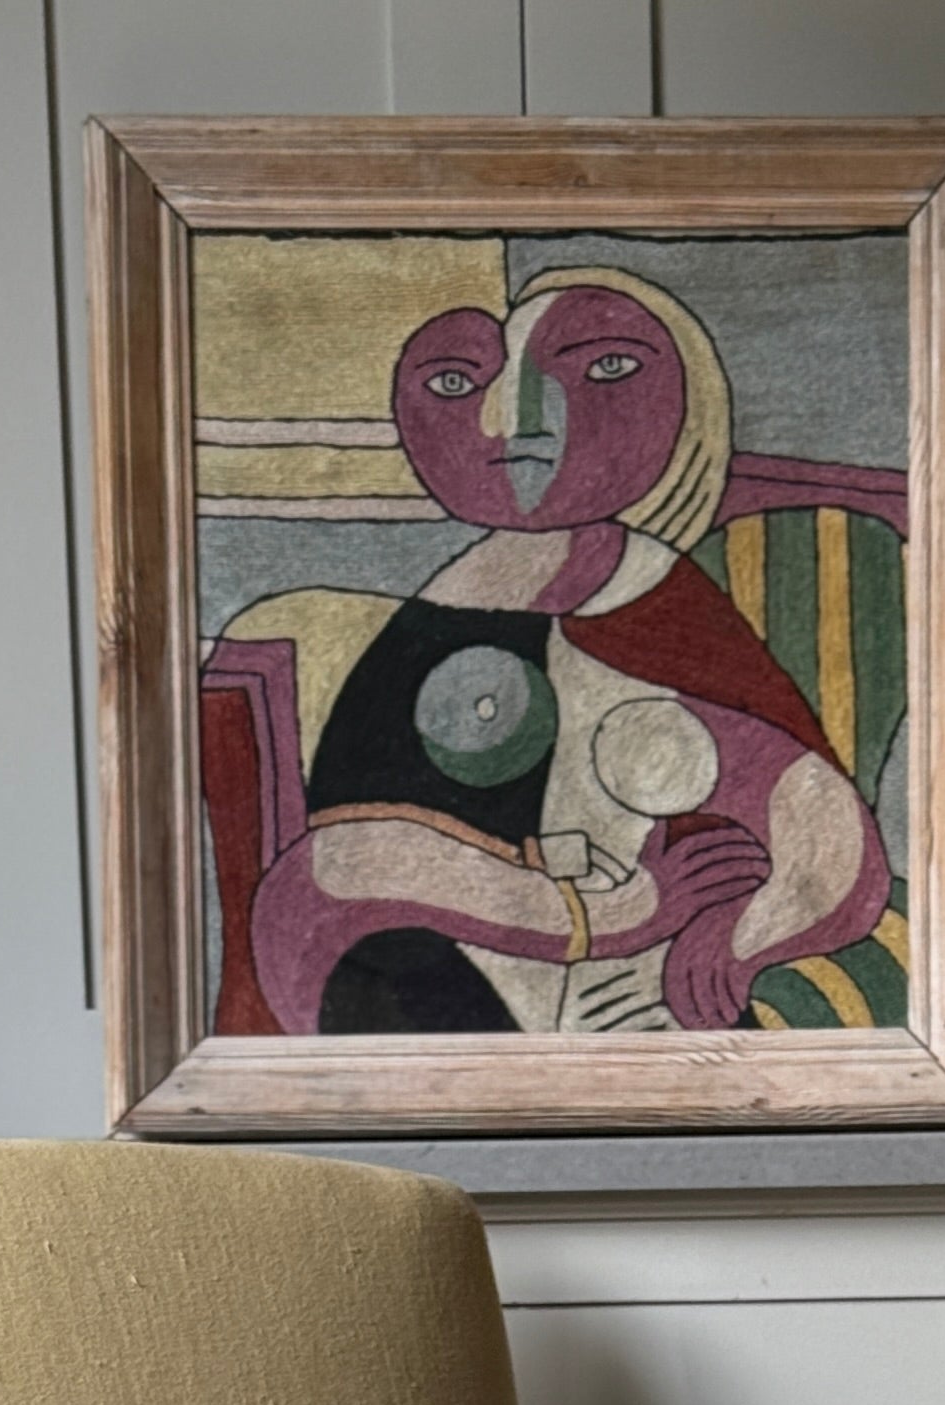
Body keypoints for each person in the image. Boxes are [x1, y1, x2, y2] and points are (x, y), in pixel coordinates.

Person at [206, 268, 891, 1037]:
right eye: (459, 382)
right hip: (411, 980)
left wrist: (741, 936)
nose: (514, 422)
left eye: (604, 369)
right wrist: (606, 913)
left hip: (604, 1009)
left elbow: (817, 821)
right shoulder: (442, 609)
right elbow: (339, 869)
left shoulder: (649, 600)